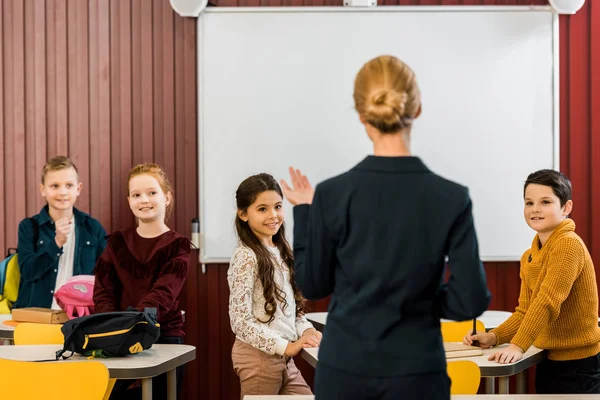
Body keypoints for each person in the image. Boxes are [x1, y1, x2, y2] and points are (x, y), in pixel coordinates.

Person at [280, 55, 491, 400]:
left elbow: (313, 283)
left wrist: (305, 210)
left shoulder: (332, 194)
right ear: (417, 108)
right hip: (418, 370)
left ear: (362, 116)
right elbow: (471, 298)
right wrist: (425, 304)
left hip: (344, 370)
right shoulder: (451, 197)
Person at [464, 169, 600, 394]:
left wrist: (518, 346)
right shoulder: (529, 255)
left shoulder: (568, 245)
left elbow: (547, 301)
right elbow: (525, 311)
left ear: (566, 208)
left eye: (545, 202)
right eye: (529, 202)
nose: (535, 209)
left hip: (579, 365)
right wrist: (493, 336)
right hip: (549, 358)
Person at [94, 163, 190, 400]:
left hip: (164, 339)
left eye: (152, 193)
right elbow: (103, 292)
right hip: (118, 338)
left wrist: (133, 323)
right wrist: (114, 328)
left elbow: (163, 294)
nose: (144, 200)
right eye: (136, 195)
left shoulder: (178, 245)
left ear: (167, 198)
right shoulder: (116, 242)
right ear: (129, 201)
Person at [228, 173, 321, 399]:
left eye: (277, 206)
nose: (273, 215)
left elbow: (290, 311)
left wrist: (306, 329)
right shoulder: (246, 256)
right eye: (262, 209)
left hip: (283, 358)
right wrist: (287, 347)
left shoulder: (281, 252)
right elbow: (240, 321)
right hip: (258, 358)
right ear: (243, 214)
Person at [15, 156, 106, 309]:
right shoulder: (29, 227)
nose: (62, 192)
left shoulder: (92, 228)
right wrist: (56, 243)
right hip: (37, 316)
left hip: (79, 317)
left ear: (78, 189)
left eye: (69, 185)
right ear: (43, 190)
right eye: (55, 186)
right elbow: (28, 272)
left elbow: (107, 276)